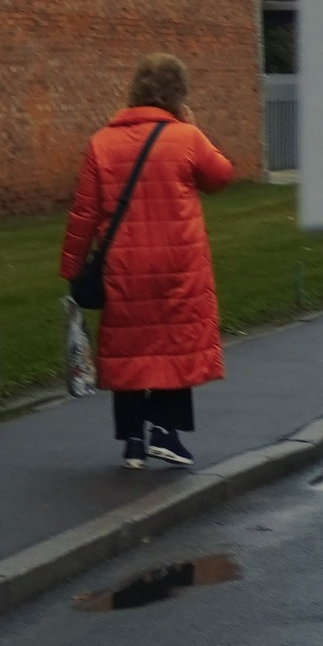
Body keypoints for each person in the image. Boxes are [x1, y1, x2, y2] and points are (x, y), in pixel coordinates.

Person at [60, 56, 235, 470]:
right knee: (175, 345)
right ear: (178, 94)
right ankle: (167, 434)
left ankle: (134, 442)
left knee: (130, 349)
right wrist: (193, 124)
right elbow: (220, 176)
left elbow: (84, 213)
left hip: (124, 267)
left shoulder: (102, 142)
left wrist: (72, 270)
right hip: (178, 265)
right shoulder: (187, 137)